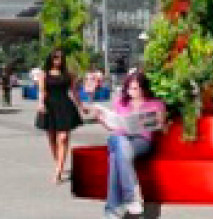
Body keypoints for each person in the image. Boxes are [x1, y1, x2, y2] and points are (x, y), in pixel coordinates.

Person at [91, 70, 166, 218]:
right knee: (118, 140)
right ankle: (130, 198)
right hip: (120, 137)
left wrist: (154, 121)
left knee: (115, 157)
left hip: (141, 140)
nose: (132, 92)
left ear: (144, 88)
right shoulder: (121, 102)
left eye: (136, 88)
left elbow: (161, 127)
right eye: (130, 88)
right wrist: (102, 119)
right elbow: (113, 126)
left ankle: (113, 209)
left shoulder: (156, 104)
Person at [37, 47, 83, 183]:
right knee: (52, 138)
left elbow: (74, 92)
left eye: (61, 57)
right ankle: (59, 164)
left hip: (64, 107)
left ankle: (57, 172)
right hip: (49, 107)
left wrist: (81, 106)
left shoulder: (68, 75)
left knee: (62, 138)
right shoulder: (44, 74)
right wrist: (40, 104)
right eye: (56, 57)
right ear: (51, 58)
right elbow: (42, 91)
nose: (58, 60)